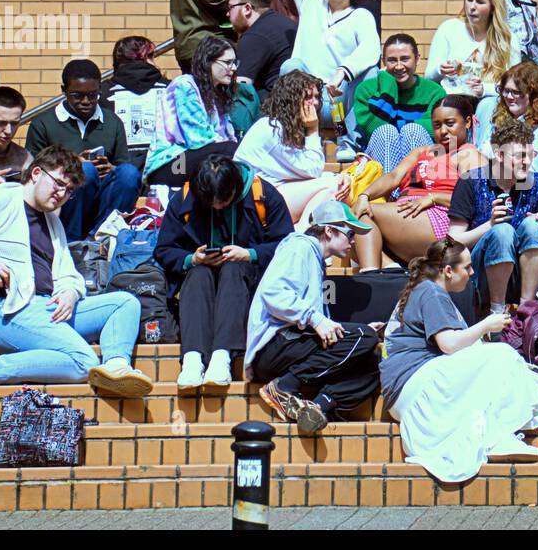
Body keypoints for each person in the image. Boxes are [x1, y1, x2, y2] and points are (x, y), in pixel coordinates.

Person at [0, 145, 154, 398]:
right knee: (83, 361)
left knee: (124, 303)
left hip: (47, 309)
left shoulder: (52, 221)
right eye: (58, 184)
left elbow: (68, 273)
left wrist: (71, 292)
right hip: (3, 310)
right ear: (36, 173)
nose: (62, 194)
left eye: (69, 191)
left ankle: (116, 366)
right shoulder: (0, 198)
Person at [380, 237, 538, 482]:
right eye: (466, 267)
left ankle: (498, 434)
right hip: (413, 387)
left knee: (499, 362)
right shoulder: (431, 292)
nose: (472, 272)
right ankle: (498, 436)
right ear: (447, 271)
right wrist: (486, 324)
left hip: (409, 388)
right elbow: (449, 344)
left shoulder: (427, 289)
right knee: (503, 356)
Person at [155, 155, 293, 394]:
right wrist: (192, 259)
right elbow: (164, 249)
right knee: (198, 273)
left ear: (235, 188)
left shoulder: (265, 195)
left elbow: (288, 245)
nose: (218, 206)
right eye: (211, 202)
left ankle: (222, 357)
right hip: (199, 284)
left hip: (245, 282)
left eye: (224, 200)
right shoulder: (185, 198)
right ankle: (192, 359)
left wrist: (250, 254)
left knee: (233, 268)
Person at [246, 200, 381, 434]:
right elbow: (273, 293)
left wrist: (351, 332)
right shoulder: (300, 246)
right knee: (364, 336)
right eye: (349, 234)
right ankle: (285, 386)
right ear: (329, 230)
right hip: (273, 348)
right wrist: (317, 320)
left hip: (291, 347)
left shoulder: (316, 260)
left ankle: (316, 407)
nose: (353, 241)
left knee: (372, 362)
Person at [352, 96, 485, 269]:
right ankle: (390, 268)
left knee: (357, 216)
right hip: (406, 213)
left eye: (450, 123)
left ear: (467, 122)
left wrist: (433, 197)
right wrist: (364, 195)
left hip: (439, 217)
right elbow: (393, 177)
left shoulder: (468, 154)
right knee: (347, 229)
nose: (443, 131)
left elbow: (477, 200)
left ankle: (371, 275)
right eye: (437, 125)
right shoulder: (422, 151)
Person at [26, 59, 141, 241]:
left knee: (129, 173)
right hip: (64, 200)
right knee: (84, 171)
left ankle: (102, 237)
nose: (86, 101)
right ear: (64, 91)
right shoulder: (43, 123)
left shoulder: (112, 121)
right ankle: (71, 242)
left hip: (103, 200)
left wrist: (110, 168)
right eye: (77, 96)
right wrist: (72, 165)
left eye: (93, 95)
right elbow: (32, 174)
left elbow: (123, 166)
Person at [448, 119, 538, 314]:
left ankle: (526, 311)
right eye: (520, 156)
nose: (528, 162)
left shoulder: (537, 184)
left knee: (533, 224)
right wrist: (489, 225)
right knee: (503, 230)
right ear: (499, 154)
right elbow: (452, 242)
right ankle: (497, 313)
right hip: (480, 274)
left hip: (522, 273)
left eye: (531, 155)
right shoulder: (471, 181)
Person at [283, 0, 380, 162]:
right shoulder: (311, 0)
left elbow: (372, 50)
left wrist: (342, 72)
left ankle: (348, 142)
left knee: (372, 73)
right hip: (307, 98)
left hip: (337, 104)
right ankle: (291, 138)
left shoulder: (360, 17)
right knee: (290, 65)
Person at [234, 70, 349, 224]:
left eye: (316, 97)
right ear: (291, 99)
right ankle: (301, 234)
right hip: (255, 204)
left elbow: (307, 172)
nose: (315, 102)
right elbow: (312, 170)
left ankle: (302, 232)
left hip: (272, 194)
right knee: (332, 185)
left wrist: (341, 177)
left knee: (333, 185)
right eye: (308, 97)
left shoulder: (289, 128)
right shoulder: (272, 127)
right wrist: (313, 130)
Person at [474, 62, 538, 225]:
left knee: (473, 162)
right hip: (516, 188)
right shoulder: (509, 122)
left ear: (534, 95)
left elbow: (526, 174)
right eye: (506, 91)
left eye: (516, 92)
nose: (509, 97)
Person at [145, 36, 241, 188]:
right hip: (171, 165)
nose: (234, 68)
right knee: (231, 151)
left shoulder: (217, 94)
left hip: (201, 158)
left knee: (235, 152)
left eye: (235, 62)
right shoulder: (184, 85)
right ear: (208, 61)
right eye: (228, 62)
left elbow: (227, 137)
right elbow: (198, 138)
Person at [355, 34, 446, 171]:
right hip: (378, 156)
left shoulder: (434, 92)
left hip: (428, 160)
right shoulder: (366, 89)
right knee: (386, 132)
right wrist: (388, 83)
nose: (399, 66)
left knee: (412, 131)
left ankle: (414, 189)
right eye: (392, 60)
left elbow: (436, 130)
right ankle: (388, 191)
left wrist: (401, 126)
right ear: (383, 61)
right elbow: (373, 128)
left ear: (417, 59)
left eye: (405, 59)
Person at [424, 0, 521, 100]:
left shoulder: (508, 39)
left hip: (490, 101)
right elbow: (428, 77)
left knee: (488, 103)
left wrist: (484, 89)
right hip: (452, 99)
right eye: (469, 0)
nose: (472, 7)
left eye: (480, 2)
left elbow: (515, 85)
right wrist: (440, 70)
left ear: (493, 7)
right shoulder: (448, 29)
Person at [100, 35, 170, 174]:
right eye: (151, 56)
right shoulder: (171, 89)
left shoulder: (101, 93)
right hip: (165, 168)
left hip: (117, 171)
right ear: (145, 59)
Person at [227, 0, 297, 97]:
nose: (227, 14)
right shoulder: (283, 23)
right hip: (295, 99)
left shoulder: (254, 37)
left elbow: (241, 90)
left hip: (274, 107)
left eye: (231, 7)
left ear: (247, 8)